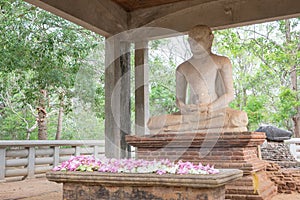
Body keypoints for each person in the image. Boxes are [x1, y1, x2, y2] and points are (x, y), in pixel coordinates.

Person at [148, 25, 248, 133]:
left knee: (237, 118)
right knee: (154, 122)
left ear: (210, 39)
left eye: (200, 39)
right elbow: (179, 99)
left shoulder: (222, 62)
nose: (195, 44)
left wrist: (208, 108)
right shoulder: (182, 68)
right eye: (192, 41)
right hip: (191, 114)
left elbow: (229, 95)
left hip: (215, 111)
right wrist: (184, 108)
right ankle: (192, 124)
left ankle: (185, 126)